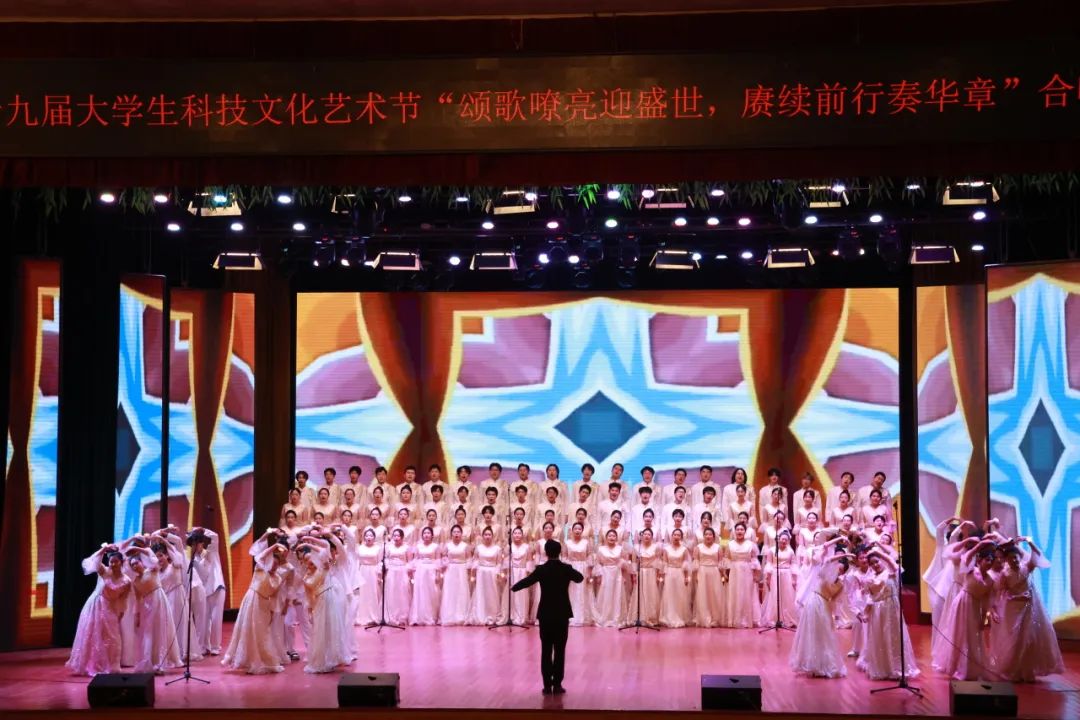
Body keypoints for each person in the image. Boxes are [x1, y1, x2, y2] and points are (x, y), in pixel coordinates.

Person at [511, 539, 584, 695]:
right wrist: (568, 571)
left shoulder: (541, 569)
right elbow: (580, 578)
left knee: (546, 649)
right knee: (560, 650)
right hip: (562, 614)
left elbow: (528, 581)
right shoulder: (566, 568)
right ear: (560, 552)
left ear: (546, 553)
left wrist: (514, 587)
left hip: (545, 614)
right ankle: (557, 684)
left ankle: (546, 685)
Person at [990, 538, 1064, 682]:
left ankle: (1027, 671)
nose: (1015, 561)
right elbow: (1000, 592)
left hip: (1029, 609)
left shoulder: (1026, 568)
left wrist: (1029, 542)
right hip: (1013, 609)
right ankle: (1013, 671)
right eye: (1011, 559)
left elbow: (1036, 555)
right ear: (1007, 560)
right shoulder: (1005, 574)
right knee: (1015, 640)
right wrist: (996, 608)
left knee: (1029, 639)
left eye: (1016, 558)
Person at [221, 543, 292, 675]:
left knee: (261, 632)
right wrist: (274, 546)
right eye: (272, 563)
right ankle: (245, 659)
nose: (274, 566)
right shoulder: (260, 569)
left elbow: (274, 596)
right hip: (251, 600)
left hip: (263, 604)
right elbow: (259, 556)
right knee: (246, 628)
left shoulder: (277, 578)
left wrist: (272, 612)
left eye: (277, 564)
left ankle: (263, 659)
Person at [66, 545, 131, 676]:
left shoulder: (127, 581)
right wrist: (103, 550)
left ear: (122, 562)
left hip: (111, 608)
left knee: (112, 637)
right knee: (91, 633)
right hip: (96, 604)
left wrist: (121, 613)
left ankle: (112, 665)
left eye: (116, 562)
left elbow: (124, 599)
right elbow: (94, 562)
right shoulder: (104, 571)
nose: (113, 564)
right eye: (111, 562)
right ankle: (89, 665)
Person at [789, 546, 853, 678]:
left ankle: (824, 663)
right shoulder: (825, 573)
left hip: (825, 606)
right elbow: (828, 560)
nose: (838, 570)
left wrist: (834, 616)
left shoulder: (840, 585)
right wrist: (843, 556)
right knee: (812, 632)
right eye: (837, 567)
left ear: (843, 572)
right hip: (814, 601)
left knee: (824, 634)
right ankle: (810, 663)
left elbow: (834, 601)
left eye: (841, 569)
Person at [439, 524, 473, 626]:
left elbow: (469, 559)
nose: (456, 534)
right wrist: (445, 564)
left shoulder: (465, 546)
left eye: (458, 532)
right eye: (454, 532)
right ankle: (449, 615)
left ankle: (461, 615)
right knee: (450, 592)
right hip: (450, 570)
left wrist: (468, 572)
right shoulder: (447, 545)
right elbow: (444, 557)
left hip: (462, 569)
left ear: (461, 534)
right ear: (451, 534)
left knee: (461, 591)